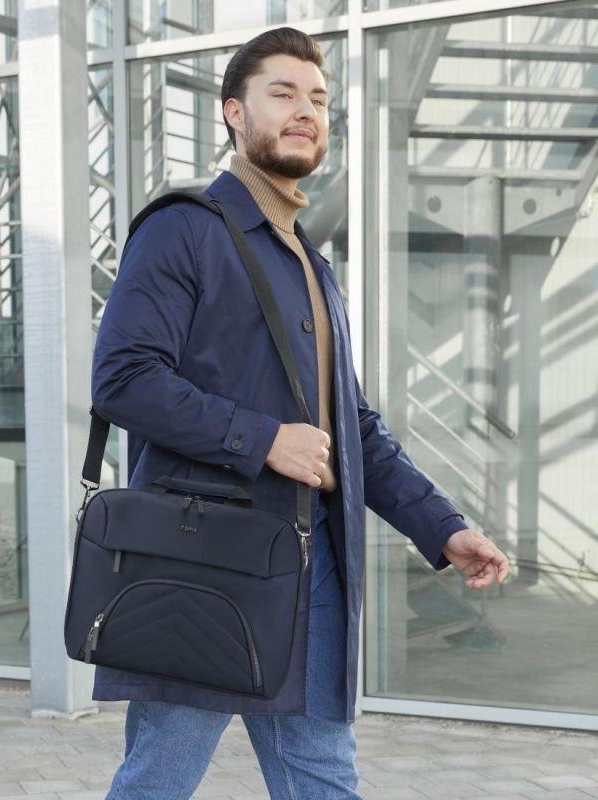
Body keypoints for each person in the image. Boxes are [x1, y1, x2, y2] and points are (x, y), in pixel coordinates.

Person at [90, 26, 509, 800]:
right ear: (233, 112)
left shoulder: (311, 261)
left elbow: (353, 430)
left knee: (325, 781)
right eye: (282, 93)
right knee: (159, 780)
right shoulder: (183, 229)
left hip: (312, 571)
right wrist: (262, 440)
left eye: (317, 98)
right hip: (207, 568)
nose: (305, 111)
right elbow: (123, 379)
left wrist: (443, 528)